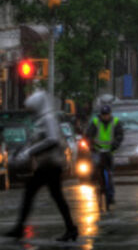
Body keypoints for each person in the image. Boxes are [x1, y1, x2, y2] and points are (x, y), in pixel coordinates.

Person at [3, 90, 78, 241]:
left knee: (34, 193)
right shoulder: (41, 120)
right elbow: (35, 140)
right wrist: (22, 151)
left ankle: (20, 228)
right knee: (54, 196)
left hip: (51, 164)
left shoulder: (48, 119)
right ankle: (71, 228)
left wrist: (30, 151)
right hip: (45, 164)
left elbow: (52, 140)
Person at [84, 104, 125, 208]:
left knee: (110, 174)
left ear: (110, 114)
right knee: (95, 167)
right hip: (97, 150)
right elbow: (88, 135)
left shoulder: (115, 122)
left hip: (109, 151)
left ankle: (111, 196)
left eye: (107, 114)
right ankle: (95, 182)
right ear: (100, 115)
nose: (105, 116)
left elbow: (120, 135)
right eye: (103, 115)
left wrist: (115, 145)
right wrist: (91, 145)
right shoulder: (95, 122)